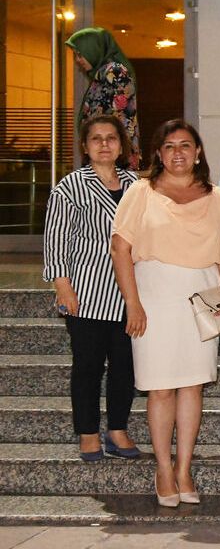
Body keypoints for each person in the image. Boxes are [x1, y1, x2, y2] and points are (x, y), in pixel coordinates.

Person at [110, 119, 220, 506]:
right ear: (159, 154)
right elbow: (120, 249)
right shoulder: (140, 192)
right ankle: (163, 469)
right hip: (154, 298)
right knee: (161, 387)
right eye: (169, 146)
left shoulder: (218, 197)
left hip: (200, 298)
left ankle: (184, 468)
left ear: (198, 152)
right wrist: (133, 303)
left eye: (185, 145)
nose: (178, 152)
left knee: (192, 386)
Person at [42, 115, 140, 463]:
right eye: (96, 139)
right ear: (85, 146)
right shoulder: (69, 187)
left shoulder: (137, 185)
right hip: (86, 294)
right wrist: (62, 286)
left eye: (111, 138)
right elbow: (55, 241)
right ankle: (87, 433)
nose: (104, 144)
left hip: (129, 294)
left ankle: (117, 429)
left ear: (121, 145)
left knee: (126, 366)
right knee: (88, 367)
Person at [66, 27, 141, 170]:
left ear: (93, 49)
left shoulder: (114, 72)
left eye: (80, 54)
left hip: (112, 164)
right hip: (106, 162)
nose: (77, 60)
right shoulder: (102, 74)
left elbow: (122, 120)